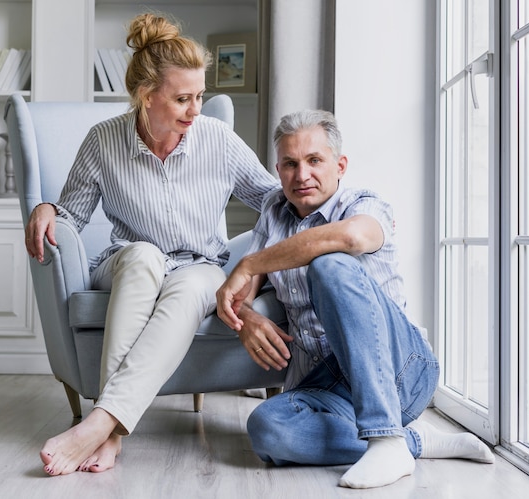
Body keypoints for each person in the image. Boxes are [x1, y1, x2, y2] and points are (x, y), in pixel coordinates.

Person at [25, 13, 278, 476]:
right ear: (146, 96)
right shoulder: (103, 140)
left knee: (187, 287)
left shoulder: (216, 139)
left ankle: (105, 428)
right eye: (183, 99)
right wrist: (47, 209)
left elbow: (271, 199)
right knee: (142, 257)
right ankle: (109, 427)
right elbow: (72, 217)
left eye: (199, 96)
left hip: (201, 264)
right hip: (127, 261)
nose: (195, 110)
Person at [216, 110, 495, 489]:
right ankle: (410, 440)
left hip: (399, 370)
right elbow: (240, 296)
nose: (302, 175)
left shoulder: (365, 204)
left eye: (315, 161)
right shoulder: (274, 212)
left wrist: (250, 262)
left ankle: (384, 433)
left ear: (339, 165)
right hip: (323, 384)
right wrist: (246, 317)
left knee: (329, 265)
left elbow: (349, 239)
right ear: (278, 170)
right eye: (290, 164)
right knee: (267, 428)